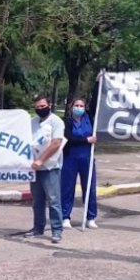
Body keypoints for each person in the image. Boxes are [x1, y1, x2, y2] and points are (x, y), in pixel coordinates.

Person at [26, 95, 65, 243]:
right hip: (34, 168)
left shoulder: (56, 121)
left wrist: (41, 160)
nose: (40, 109)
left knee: (54, 200)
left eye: (43, 106)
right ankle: (38, 228)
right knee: (37, 201)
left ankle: (56, 230)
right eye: (38, 107)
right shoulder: (33, 122)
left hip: (50, 168)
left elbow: (56, 143)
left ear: (49, 105)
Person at [61, 97, 98, 229]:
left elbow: (96, 100)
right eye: (76, 105)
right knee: (67, 188)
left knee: (89, 188)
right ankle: (65, 217)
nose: (79, 108)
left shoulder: (90, 118)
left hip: (87, 157)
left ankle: (91, 217)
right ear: (71, 107)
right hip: (70, 158)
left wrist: (98, 81)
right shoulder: (67, 122)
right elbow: (68, 138)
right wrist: (86, 140)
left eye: (81, 105)